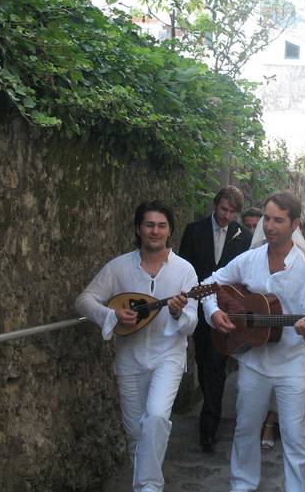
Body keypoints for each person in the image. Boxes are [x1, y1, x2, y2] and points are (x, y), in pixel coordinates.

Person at [203, 192, 305, 492]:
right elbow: (208, 284)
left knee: (295, 437)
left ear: (294, 224)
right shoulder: (250, 259)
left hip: (292, 365)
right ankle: (242, 485)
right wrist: (214, 311)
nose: (269, 226)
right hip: (253, 362)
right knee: (245, 429)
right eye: (267, 219)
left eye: (278, 220)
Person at [75, 200, 198, 492]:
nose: (155, 231)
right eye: (149, 225)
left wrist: (179, 312)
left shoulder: (185, 271)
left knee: (155, 417)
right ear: (138, 228)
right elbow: (84, 300)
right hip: (129, 358)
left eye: (162, 226)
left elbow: (192, 324)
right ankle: (143, 485)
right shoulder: (119, 267)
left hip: (168, 355)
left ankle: (149, 488)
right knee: (135, 433)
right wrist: (111, 315)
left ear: (170, 231)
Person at [177, 186, 251, 453]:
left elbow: (242, 278)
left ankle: (209, 425)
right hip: (197, 308)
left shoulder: (244, 237)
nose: (227, 215)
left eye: (232, 212)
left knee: (216, 365)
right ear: (215, 205)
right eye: (223, 209)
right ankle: (210, 410)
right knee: (203, 361)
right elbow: (184, 269)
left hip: (225, 311)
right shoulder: (193, 231)